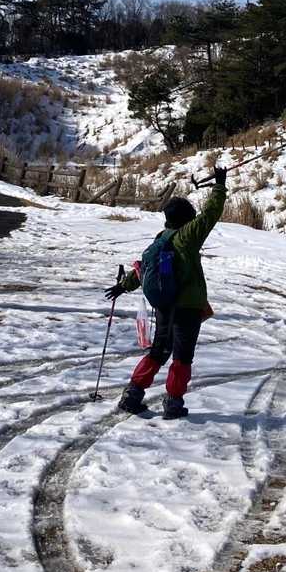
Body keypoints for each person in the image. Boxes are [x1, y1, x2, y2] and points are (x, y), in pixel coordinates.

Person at [105, 167, 227, 420]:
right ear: (186, 218)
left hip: (164, 305)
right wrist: (219, 186)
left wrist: (123, 286)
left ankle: (132, 394)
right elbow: (210, 215)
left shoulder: (161, 238)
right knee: (182, 356)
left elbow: (144, 268)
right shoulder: (187, 237)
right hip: (188, 308)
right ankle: (173, 403)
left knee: (159, 350)